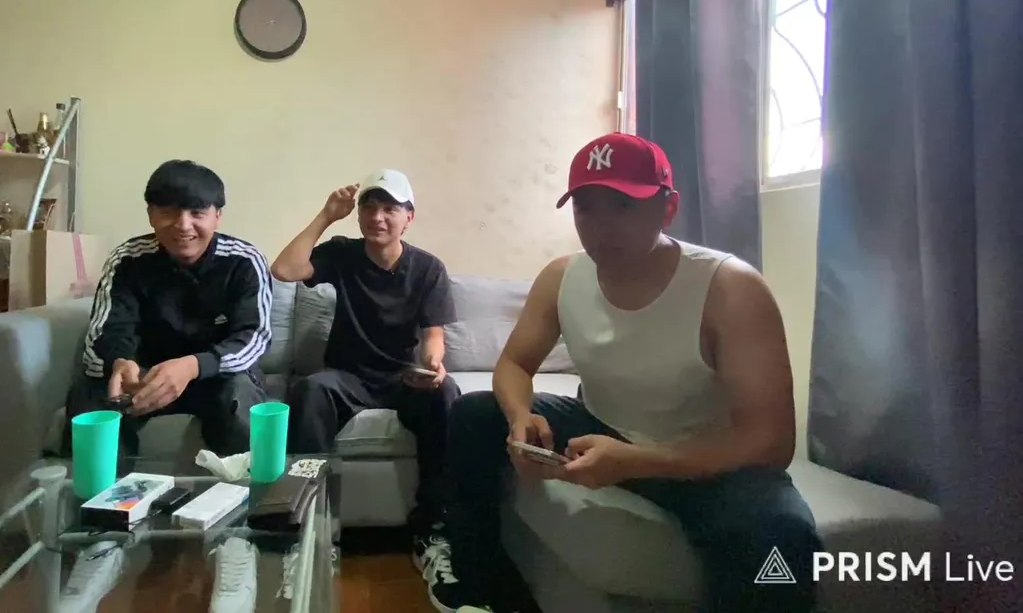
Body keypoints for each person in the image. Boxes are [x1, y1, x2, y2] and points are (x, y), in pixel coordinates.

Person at [436, 134, 822, 613]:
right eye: (586, 208)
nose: (602, 228)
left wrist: (636, 461)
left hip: (705, 459)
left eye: (623, 205)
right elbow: (514, 364)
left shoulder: (729, 288)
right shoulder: (561, 277)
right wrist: (519, 417)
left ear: (668, 208)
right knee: (473, 414)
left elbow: (770, 441)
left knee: (781, 534)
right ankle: (481, 585)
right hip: (602, 426)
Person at [270, 169, 460, 584]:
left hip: (402, 379)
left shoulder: (428, 268)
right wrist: (326, 215)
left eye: (390, 208)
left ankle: (432, 527)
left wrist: (432, 366)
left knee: (447, 393)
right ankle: (310, 528)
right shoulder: (343, 253)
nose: (377, 217)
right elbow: (283, 269)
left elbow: (433, 337)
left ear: (409, 217)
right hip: (348, 378)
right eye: (369, 207)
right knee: (311, 390)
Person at [63, 159, 272, 459]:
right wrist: (120, 363)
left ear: (217, 216)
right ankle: (101, 489)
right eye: (169, 212)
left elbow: (254, 338)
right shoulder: (127, 259)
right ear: (151, 214)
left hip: (215, 376)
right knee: (91, 392)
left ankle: (244, 487)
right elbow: (106, 333)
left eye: (197, 213)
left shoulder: (244, 260)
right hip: (145, 380)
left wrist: (193, 366)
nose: (183, 225)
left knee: (240, 390)